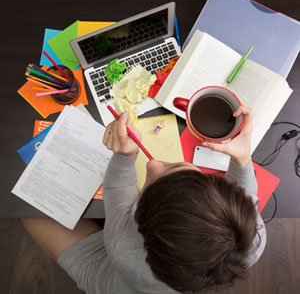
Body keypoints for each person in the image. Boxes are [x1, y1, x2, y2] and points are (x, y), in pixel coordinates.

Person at [22, 103, 266, 294]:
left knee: (27, 208)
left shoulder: (124, 246)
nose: (153, 164)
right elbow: (246, 194)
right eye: (176, 166)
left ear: (140, 221)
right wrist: (242, 158)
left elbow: (118, 185)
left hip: (111, 277)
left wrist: (125, 155)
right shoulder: (248, 234)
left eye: (147, 185)